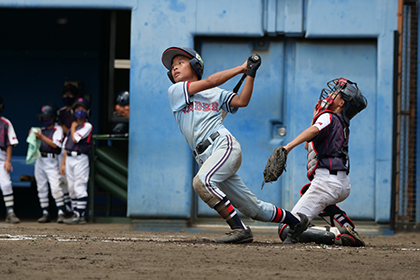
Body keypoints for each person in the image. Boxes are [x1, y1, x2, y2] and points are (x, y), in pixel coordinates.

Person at [161, 46, 309, 244]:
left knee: (201, 182)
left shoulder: (215, 93)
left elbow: (242, 100)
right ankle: (297, 222)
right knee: (253, 209)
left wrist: (250, 74)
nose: (175, 68)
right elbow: (209, 81)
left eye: (181, 62)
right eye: (172, 66)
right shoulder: (176, 91)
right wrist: (241, 69)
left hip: (223, 145)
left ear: (196, 65)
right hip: (206, 157)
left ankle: (239, 230)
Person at [278, 77, 368, 245]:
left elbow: (313, 131)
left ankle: (335, 234)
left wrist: (287, 147)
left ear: (341, 103)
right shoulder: (340, 122)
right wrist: (314, 118)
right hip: (341, 184)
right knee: (308, 192)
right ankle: (345, 223)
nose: (331, 94)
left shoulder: (329, 116)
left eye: (336, 93)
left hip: (327, 183)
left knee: (286, 228)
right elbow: (309, 146)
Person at [32, 104, 70, 223]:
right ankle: (45, 212)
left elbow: (56, 145)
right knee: (41, 187)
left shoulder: (57, 129)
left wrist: (41, 137)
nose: (45, 120)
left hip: (52, 160)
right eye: (43, 118)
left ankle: (61, 212)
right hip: (40, 160)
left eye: (47, 117)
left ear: (53, 117)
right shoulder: (41, 130)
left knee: (55, 186)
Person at [60, 98, 93, 225]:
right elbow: (66, 146)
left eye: (83, 109)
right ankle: (75, 213)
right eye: (78, 109)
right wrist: (63, 163)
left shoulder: (87, 126)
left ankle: (80, 215)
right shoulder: (71, 129)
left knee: (80, 186)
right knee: (72, 188)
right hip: (69, 158)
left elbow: (75, 140)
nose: (80, 111)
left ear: (87, 111)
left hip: (80, 158)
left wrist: (73, 126)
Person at [58, 84, 79, 212]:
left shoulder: (77, 112)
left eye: (70, 94)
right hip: (61, 146)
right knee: (62, 178)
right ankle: (67, 207)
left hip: (75, 148)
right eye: (65, 94)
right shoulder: (60, 112)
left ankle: (76, 209)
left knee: (74, 181)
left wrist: (65, 129)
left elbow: (73, 131)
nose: (67, 97)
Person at [0, 96, 20, 223]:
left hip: (1, 159)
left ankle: (10, 212)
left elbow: (10, 143)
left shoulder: (5, 123)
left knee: (6, 184)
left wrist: (8, 161)